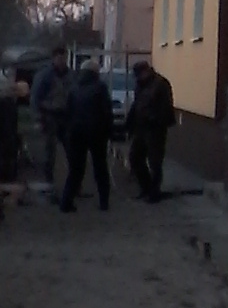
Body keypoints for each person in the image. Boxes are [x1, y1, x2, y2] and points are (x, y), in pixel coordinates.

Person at [60, 58, 113, 213]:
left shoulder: (74, 88)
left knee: (76, 169)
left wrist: (67, 131)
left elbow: (67, 111)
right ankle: (104, 202)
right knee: (100, 167)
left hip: (76, 133)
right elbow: (106, 111)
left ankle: (66, 201)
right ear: (95, 72)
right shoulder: (100, 87)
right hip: (96, 133)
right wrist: (109, 132)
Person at [125, 59, 176, 203]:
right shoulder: (141, 85)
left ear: (146, 71)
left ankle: (154, 193)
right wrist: (129, 122)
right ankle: (146, 188)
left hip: (155, 129)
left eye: (139, 75)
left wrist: (153, 119)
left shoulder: (161, 84)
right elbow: (136, 105)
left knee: (155, 162)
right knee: (135, 158)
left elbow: (166, 107)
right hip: (141, 127)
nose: (137, 78)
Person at [30, 46, 70, 184]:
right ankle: (48, 180)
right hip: (49, 114)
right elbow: (35, 97)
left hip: (65, 115)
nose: (62, 61)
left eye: (64, 58)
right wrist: (37, 117)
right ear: (54, 58)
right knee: (50, 149)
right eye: (59, 58)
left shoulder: (70, 75)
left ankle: (73, 182)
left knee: (71, 148)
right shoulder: (45, 75)